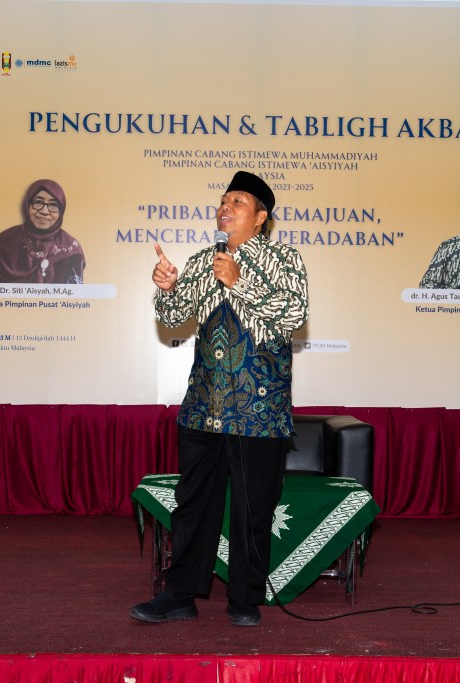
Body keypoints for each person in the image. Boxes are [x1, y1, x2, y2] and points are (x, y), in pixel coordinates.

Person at [130, 171, 309, 628]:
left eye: (238, 201)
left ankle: (245, 598)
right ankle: (180, 594)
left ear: (261, 217)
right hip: (204, 407)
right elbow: (174, 318)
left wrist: (239, 281)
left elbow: (295, 314)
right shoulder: (201, 261)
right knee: (193, 504)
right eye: (223, 200)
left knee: (254, 508)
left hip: (259, 412)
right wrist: (168, 290)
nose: (225, 207)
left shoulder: (284, 259)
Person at [0, 179, 85, 284]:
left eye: (53, 205)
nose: (44, 211)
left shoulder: (71, 248)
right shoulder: (4, 241)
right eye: (38, 202)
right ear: (27, 205)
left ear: (61, 210)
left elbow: (75, 293)